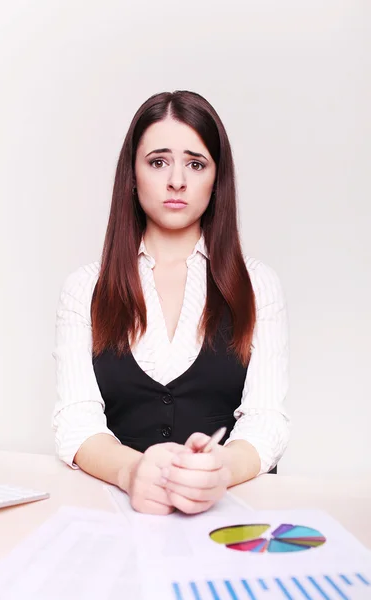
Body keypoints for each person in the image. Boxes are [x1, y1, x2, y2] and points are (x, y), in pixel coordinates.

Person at [52, 90, 290, 516]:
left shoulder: (257, 285)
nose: (176, 180)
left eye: (195, 164)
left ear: (217, 179)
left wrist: (220, 470)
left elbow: (266, 421)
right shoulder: (85, 289)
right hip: (121, 522)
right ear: (133, 174)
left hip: (229, 524)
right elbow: (76, 423)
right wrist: (132, 472)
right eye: (158, 161)